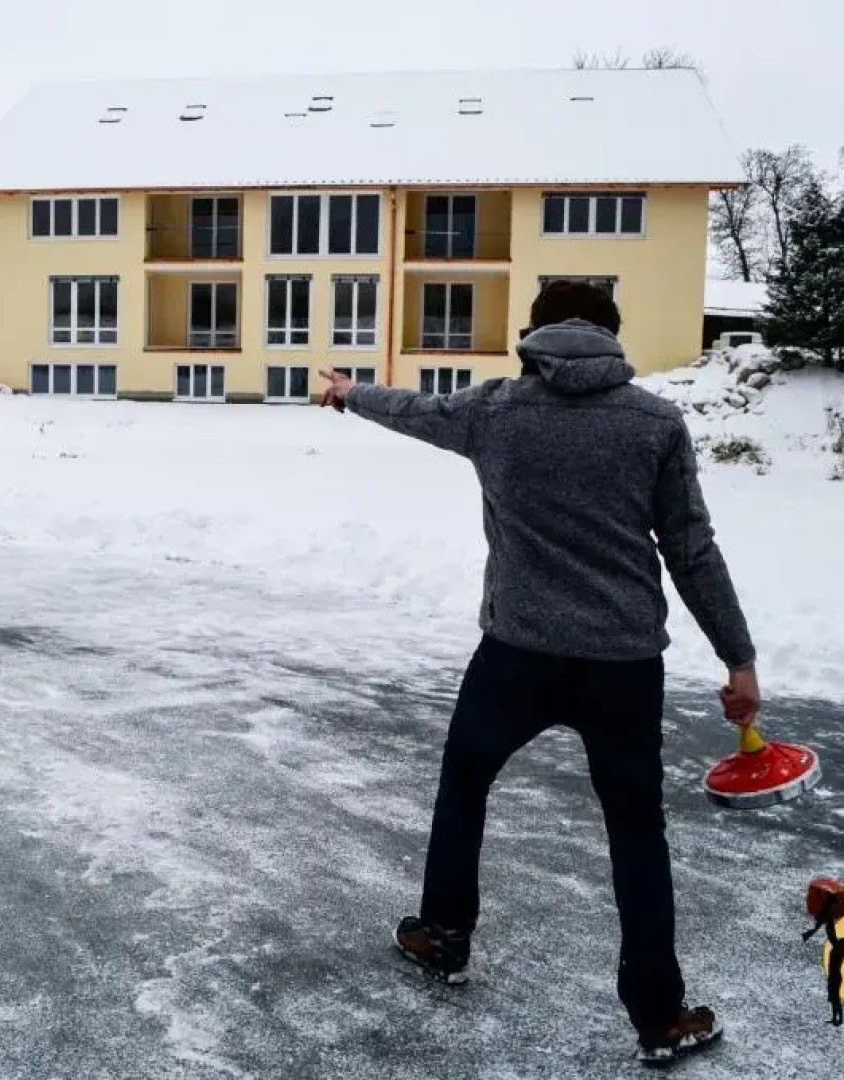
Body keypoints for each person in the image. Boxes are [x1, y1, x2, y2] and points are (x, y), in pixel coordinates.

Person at [321, 280, 758, 1067]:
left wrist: (350, 394)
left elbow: (412, 409)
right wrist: (738, 658)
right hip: (622, 664)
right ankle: (659, 1015)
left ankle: (442, 935)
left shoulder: (494, 409)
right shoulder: (654, 422)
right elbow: (690, 548)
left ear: (533, 334)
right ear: (612, 336)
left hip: (515, 657)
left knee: (464, 784)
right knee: (636, 830)